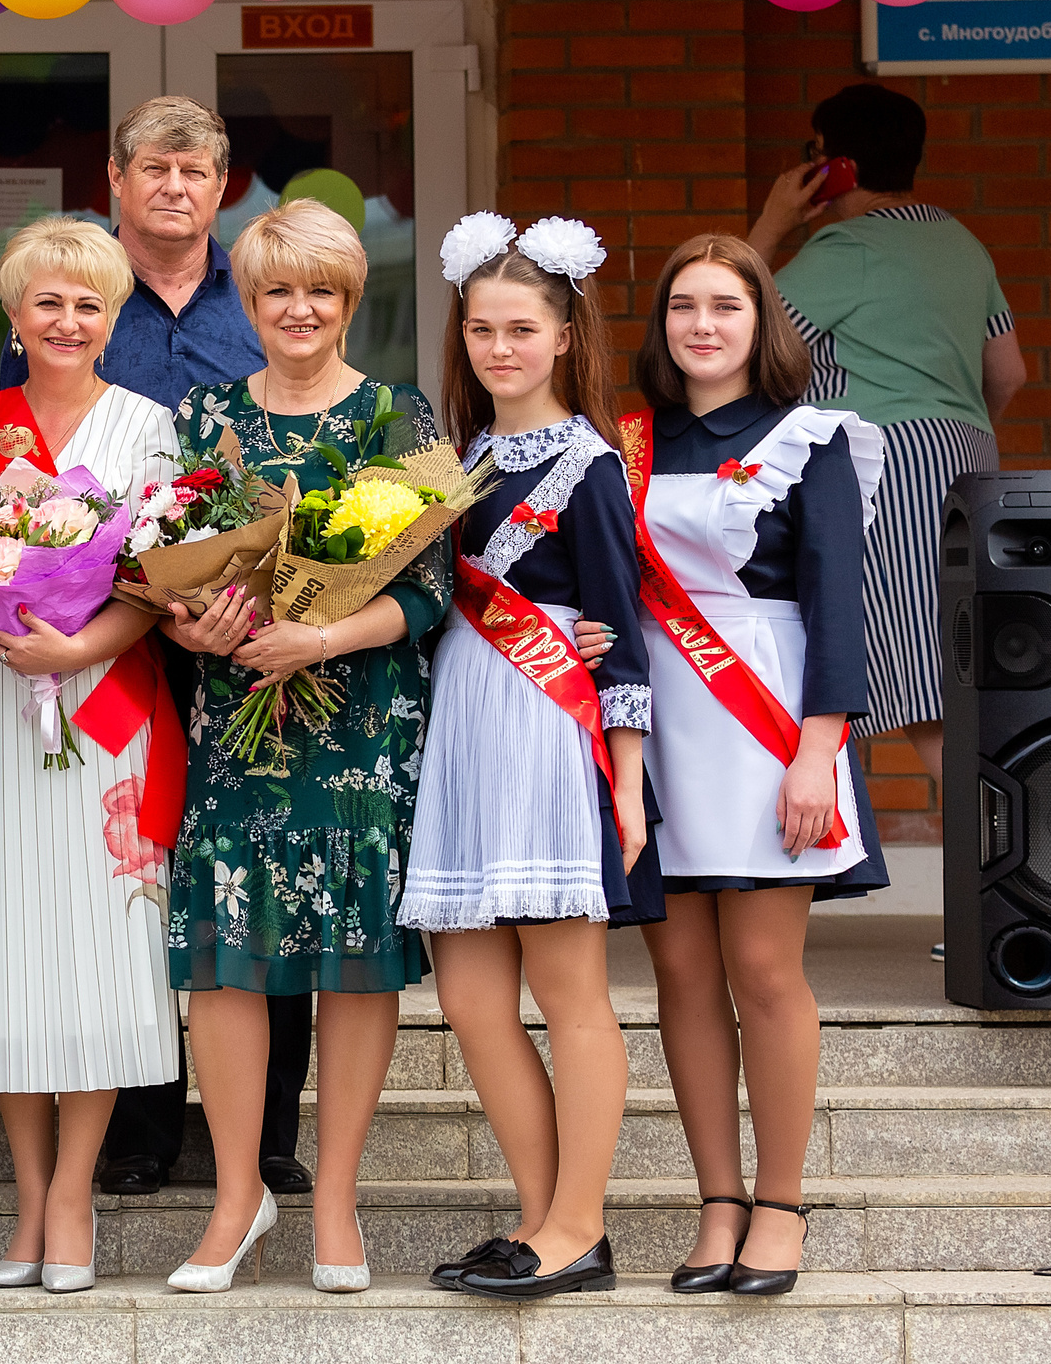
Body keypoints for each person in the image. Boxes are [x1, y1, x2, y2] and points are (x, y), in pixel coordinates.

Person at [0, 97, 310, 1205]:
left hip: (248, 641)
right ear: (117, 178)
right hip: (108, 646)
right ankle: (140, 1129)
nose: (175, 187)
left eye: (197, 170)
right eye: (155, 169)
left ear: (224, 187)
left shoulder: (263, 296)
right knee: (123, 880)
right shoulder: (81, 299)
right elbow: (21, 480)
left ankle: (268, 1136)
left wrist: (252, 605)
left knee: (251, 876)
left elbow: (293, 461)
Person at [144, 201, 447, 1296]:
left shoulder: (394, 418)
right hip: (236, 725)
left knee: (353, 958)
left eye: (321, 290)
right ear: (249, 301)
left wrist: (318, 632)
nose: (299, 310)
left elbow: (425, 592)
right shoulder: (203, 416)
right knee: (226, 959)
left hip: (360, 723)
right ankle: (237, 1196)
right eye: (278, 290)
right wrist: (199, 622)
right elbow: (165, 567)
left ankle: (334, 1199)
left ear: (349, 301)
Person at [586, 235, 885, 1297]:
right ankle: (715, 1201)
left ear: (763, 322)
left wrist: (819, 753)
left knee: (762, 974)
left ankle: (781, 1204)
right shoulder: (621, 443)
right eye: (681, 306)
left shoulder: (813, 438)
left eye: (725, 305)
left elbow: (841, 606)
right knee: (677, 978)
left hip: (765, 722)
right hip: (654, 725)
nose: (701, 325)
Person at [0, 216, 181, 1295]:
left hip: (104, 701)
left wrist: (79, 642)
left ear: (112, 320)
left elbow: (160, 582)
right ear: (13, 316)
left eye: (89, 304)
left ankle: (74, 1196)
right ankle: (27, 1195)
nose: (68, 321)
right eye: (48, 302)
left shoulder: (149, 427)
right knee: (8, 941)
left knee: (95, 945)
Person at [402, 214, 654, 1302]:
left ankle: (578, 1225)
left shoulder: (588, 466)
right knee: (467, 996)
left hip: (546, 732)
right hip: (462, 724)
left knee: (570, 991)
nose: (497, 348)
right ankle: (540, 1217)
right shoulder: (454, 461)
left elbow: (624, 631)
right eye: (479, 329)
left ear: (562, 337)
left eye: (519, 329)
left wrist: (629, 785)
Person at [748, 83, 1023, 792]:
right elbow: (1010, 374)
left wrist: (772, 225)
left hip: (887, 468)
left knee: (927, 693)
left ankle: (990, 875)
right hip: (971, 461)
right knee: (958, 673)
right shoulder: (962, 243)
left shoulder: (848, 247)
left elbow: (732, 336)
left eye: (812, 152)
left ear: (836, 165)